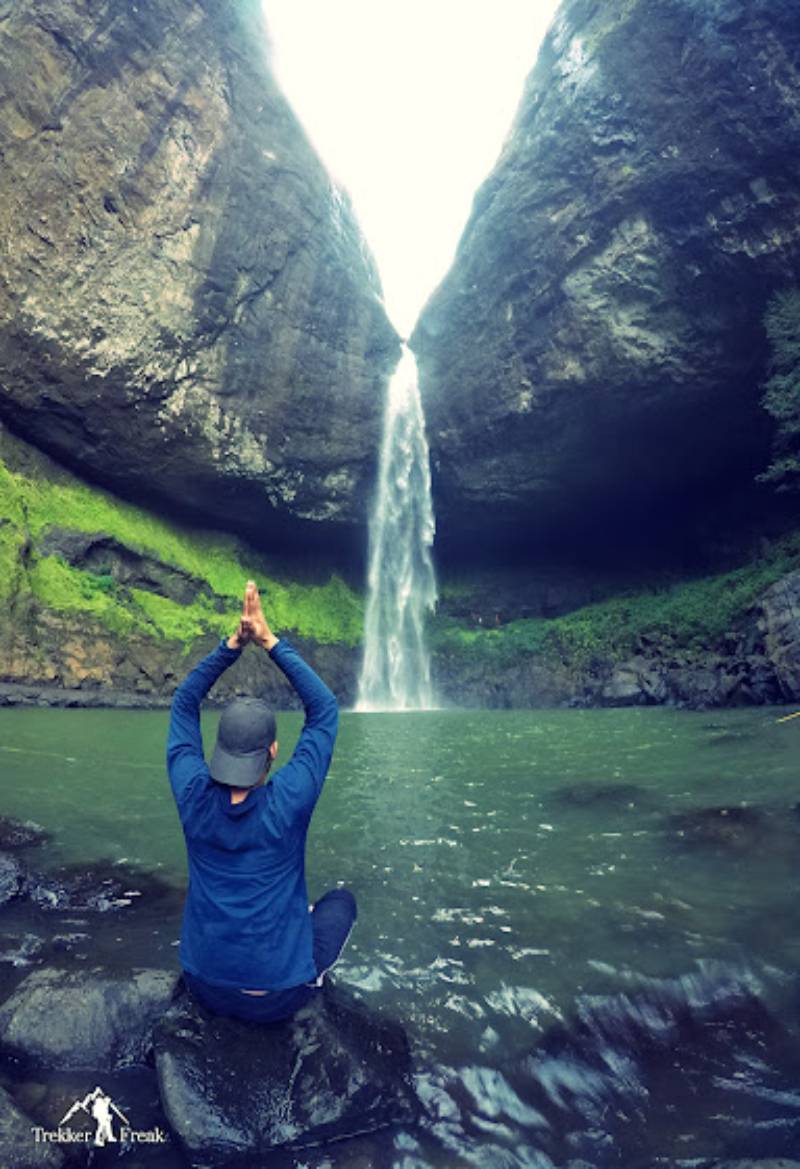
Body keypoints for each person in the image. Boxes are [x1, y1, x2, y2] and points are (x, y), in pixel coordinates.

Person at [166, 580, 356, 1022]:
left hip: (204, 985)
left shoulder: (191, 791)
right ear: (273, 751)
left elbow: (183, 703)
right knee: (341, 902)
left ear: (217, 750)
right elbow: (324, 709)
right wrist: (268, 639)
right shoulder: (288, 800)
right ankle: (305, 966)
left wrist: (231, 645)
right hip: (278, 996)